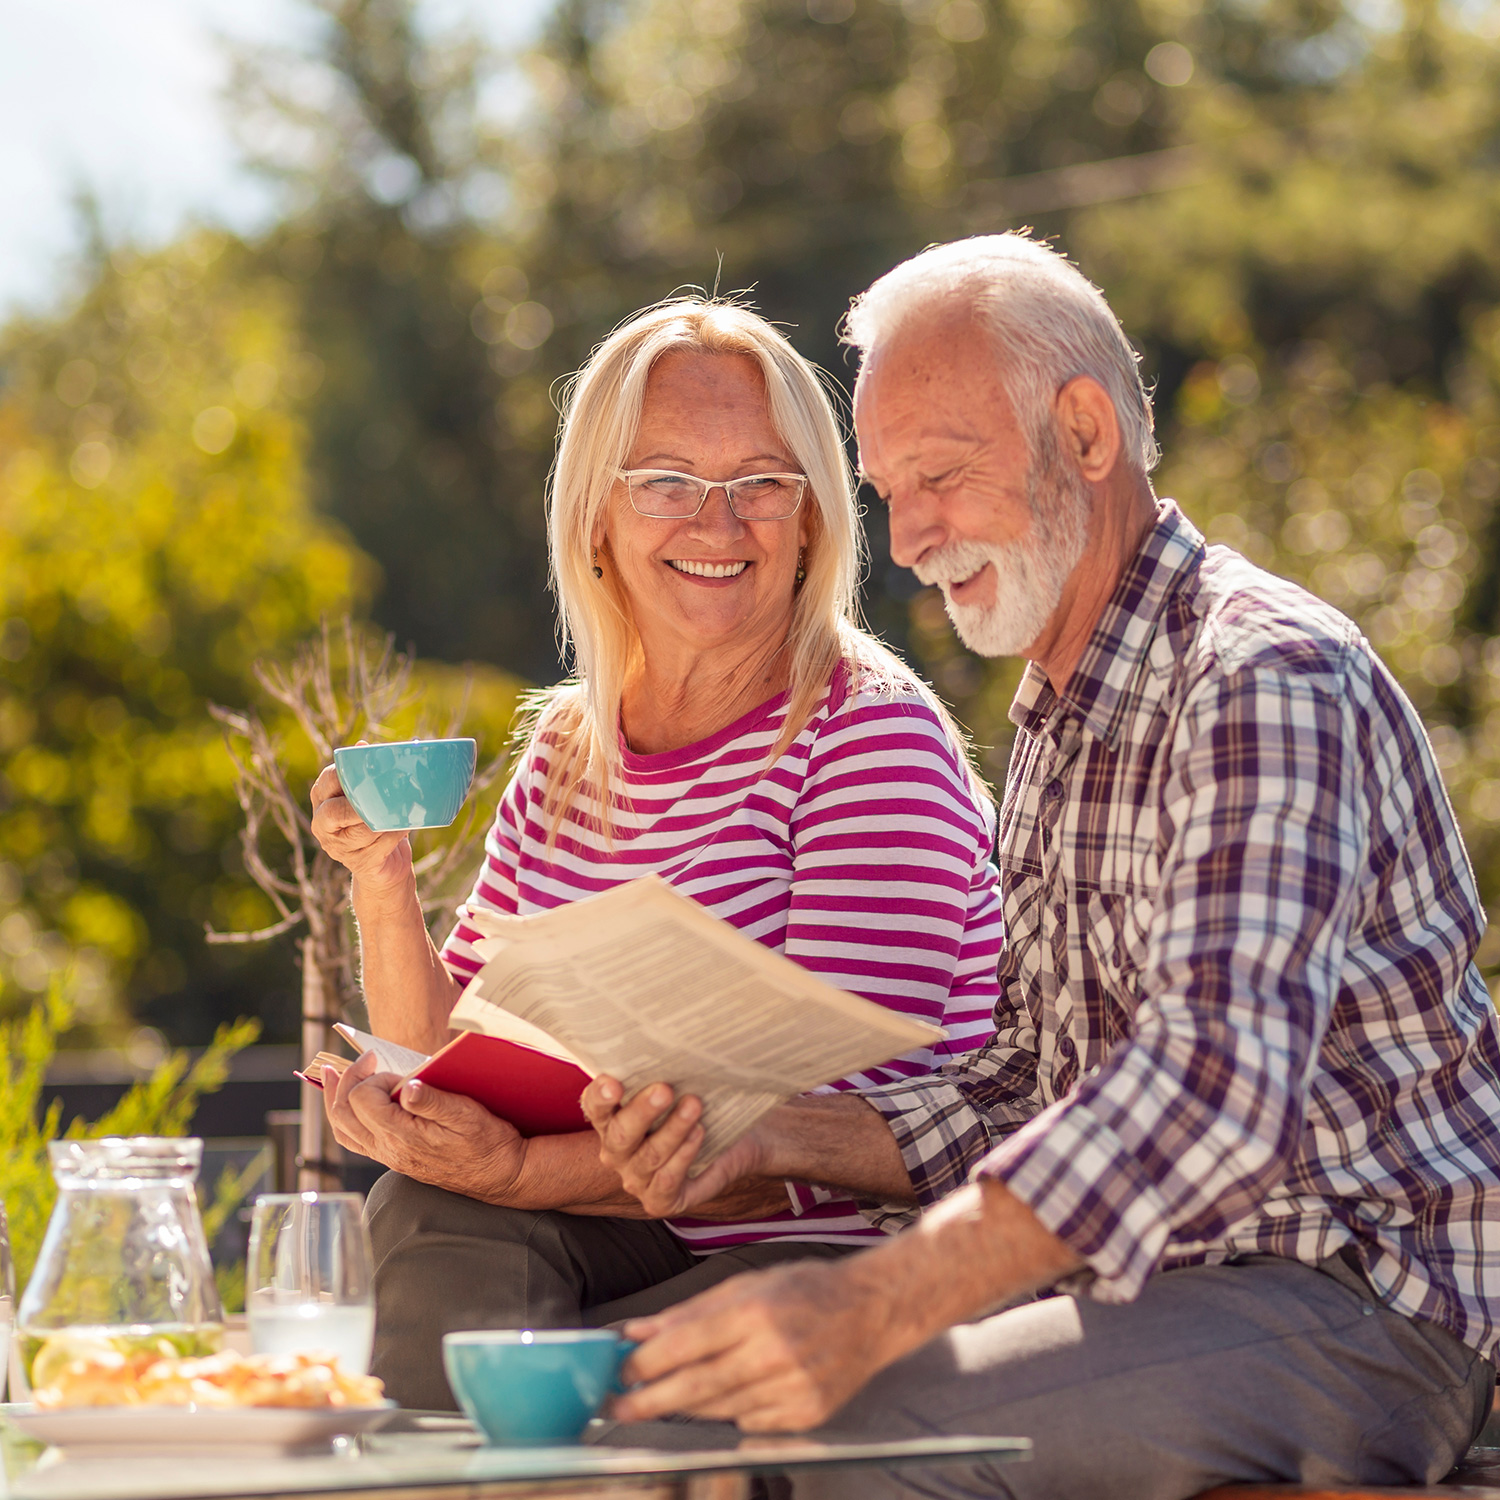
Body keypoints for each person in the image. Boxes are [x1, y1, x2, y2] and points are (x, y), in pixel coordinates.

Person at [583, 235, 1500, 1499]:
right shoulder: (1060, 713)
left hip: (1363, 1306)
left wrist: (873, 1303)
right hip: (1159, 1293)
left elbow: (1213, 1089)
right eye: (889, 491)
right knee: (638, 1406)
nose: (909, 541)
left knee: (839, 1444)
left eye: (942, 479)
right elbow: (1021, 1093)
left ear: (1083, 433)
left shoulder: (1260, 676)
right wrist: (758, 1136)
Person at [308, 297, 1005, 1411]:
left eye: (761, 485)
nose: (717, 524)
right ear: (597, 520)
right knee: (431, 1210)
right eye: (668, 483)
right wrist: (381, 883)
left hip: (819, 1252)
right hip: (613, 1231)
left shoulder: (867, 730)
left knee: (548, 1320)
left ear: (812, 518)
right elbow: (450, 1053)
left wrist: (524, 1170)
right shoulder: (568, 750)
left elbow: (826, 1123)